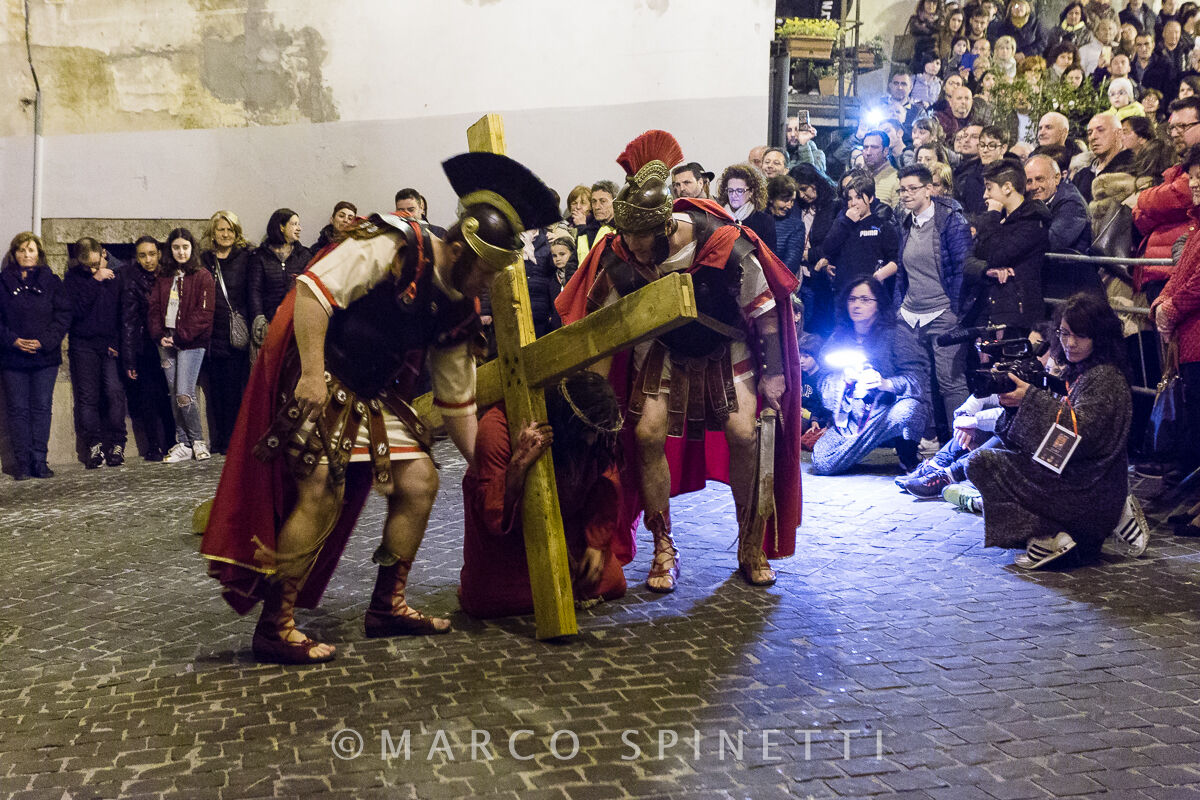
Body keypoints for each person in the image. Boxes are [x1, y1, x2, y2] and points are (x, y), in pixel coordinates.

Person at [202, 152, 560, 664]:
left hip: (372, 393)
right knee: (322, 489)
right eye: (485, 271)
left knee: (420, 482)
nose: (487, 284)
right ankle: (275, 625)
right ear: (458, 248)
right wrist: (309, 374)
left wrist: (495, 466)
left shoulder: (459, 303)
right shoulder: (395, 243)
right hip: (318, 369)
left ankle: (387, 604)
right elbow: (312, 291)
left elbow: (458, 400)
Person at [556, 129, 803, 592]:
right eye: (626, 235)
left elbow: (766, 311)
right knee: (646, 432)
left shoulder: (723, 243)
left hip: (727, 345)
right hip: (663, 347)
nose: (631, 246)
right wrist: (592, 390)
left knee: (744, 434)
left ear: (665, 226)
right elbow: (597, 323)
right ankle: (662, 546)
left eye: (640, 237)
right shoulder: (621, 253)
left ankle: (750, 540)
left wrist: (773, 375)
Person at [967, 293, 1133, 569]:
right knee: (986, 461)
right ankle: (1057, 536)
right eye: (1065, 333)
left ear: (1099, 337)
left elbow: (1080, 437)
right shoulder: (1089, 372)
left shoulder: (1104, 377)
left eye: (1080, 336)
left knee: (983, 463)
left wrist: (1030, 398)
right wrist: (1014, 407)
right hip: (1085, 484)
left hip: (1090, 491)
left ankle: (1057, 535)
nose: (1070, 343)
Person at [458, 371, 629, 618]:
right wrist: (518, 465)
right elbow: (492, 512)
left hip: (567, 530)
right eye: (586, 432)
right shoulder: (497, 427)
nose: (591, 442)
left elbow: (605, 485)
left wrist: (595, 544)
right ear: (568, 421)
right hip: (509, 542)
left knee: (611, 581)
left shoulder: (595, 437)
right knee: (499, 599)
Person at [811, 278, 929, 475]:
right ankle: (855, 447)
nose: (857, 305)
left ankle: (907, 457)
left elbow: (917, 379)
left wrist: (885, 383)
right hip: (851, 418)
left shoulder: (896, 334)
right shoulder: (839, 337)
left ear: (878, 304)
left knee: (910, 410)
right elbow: (822, 378)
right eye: (852, 299)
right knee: (822, 463)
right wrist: (842, 380)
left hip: (886, 410)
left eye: (865, 299)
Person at [893, 165, 973, 439]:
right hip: (910, 314)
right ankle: (925, 442)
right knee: (918, 381)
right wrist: (898, 308)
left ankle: (960, 445)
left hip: (943, 312)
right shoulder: (905, 222)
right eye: (902, 189)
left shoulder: (951, 220)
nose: (906, 194)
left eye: (912, 188)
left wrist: (956, 312)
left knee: (951, 383)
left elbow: (963, 270)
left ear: (929, 189)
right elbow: (903, 272)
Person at [1151, 141, 1200, 512]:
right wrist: (1161, 302)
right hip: (1188, 340)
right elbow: (1180, 273)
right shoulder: (1196, 226)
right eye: (1193, 179)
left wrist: (1171, 308)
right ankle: (1184, 493)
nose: (1194, 186)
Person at [0, 232, 69, 480]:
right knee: (17, 410)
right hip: (13, 358)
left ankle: (39, 460)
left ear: (39, 254)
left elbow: (63, 315)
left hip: (44, 357)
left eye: (31, 250)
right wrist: (13, 341)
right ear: (14, 254)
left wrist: (44, 341)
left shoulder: (52, 281)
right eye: (21, 250)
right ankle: (22, 463)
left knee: (41, 408)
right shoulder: (3, 282)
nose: (26, 255)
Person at [149, 228, 215, 463]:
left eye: (185, 247)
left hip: (191, 343)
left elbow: (204, 314)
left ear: (192, 248)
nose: (180, 252)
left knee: (184, 393)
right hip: (165, 342)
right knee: (172, 393)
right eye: (176, 247)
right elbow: (155, 308)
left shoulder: (203, 276)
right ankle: (183, 443)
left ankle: (197, 441)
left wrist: (180, 337)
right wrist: (159, 335)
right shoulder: (163, 277)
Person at [64, 237, 127, 468]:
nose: (92, 269)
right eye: (86, 266)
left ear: (103, 253)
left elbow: (123, 314)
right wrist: (95, 280)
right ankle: (94, 445)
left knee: (114, 392)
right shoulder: (74, 278)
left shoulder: (118, 274)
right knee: (87, 397)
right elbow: (76, 312)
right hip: (83, 344)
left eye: (95, 264)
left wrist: (117, 342)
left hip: (109, 343)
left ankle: (117, 444)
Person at [1133, 96, 1200, 298]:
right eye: (1173, 128)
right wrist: (1150, 206)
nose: (1175, 134)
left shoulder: (1188, 175)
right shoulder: (1178, 169)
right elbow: (1139, 217)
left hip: (1178, 275)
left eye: (1183, 126)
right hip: (1160, 272)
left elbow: (1177, 196)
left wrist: (1144, 200)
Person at [973, 159, 1052, 328]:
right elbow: (975, 254)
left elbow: (995, 256)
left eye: (989, 188)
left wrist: (993, 214)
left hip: (1018, 315)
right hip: (991, 307)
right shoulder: (1000, 219)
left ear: (1008, 187)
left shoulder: (1033, 222)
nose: (985, 195)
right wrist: (987, 270)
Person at [200, 211, 253, 454]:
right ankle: (220, 439)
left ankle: (233, 440)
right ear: (213, 232)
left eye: (230, 230)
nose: (225, 234)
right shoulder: (205, 260)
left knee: (234, 391)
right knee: (216, 392)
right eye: (221, 229)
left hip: (235, 333)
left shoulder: (246, 258)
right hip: (212, 333)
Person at [120, 236, 175, 461]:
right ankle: (154, 445)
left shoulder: (168, 274)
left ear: (159, 253)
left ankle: (173, 442)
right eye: (143, 255)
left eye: (152, 254)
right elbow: (129, 322)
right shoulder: (131, 279)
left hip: (169, 343)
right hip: (146, 347)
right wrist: (129, 359)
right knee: (148, 398)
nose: (148, 259)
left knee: (170, 395)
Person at [814, 172, 900, 297]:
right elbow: (827, 248)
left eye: (859, 197)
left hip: (872, 294)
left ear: (870, 198)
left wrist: (878, 277)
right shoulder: (841, 224)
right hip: (843, 294)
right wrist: (846, 223)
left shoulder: (883, 225)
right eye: (850, 198)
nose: (853, 203)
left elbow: (896, 260)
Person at [248, 208, 312, 348]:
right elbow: (255, 290)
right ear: (281, 227)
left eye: (299, 224)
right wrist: (259, 319)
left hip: (297, 325)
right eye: (294, 224)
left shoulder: (304, 255)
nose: (299, 228)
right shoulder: (260, 256)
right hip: (269, 324)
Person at [1025, 154, 1094, 262]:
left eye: (1040, 179)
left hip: (1069, 273)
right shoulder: (1033, 201)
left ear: (1057, 178)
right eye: (1029, 181)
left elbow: (1050, 242)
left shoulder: (1073, 205)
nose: (1034, 186)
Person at [1073, 112, 1136, 202]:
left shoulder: (1134, 168)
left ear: (1118, 133)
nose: (1093, 137)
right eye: (1090, 133)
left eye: (1101, 130)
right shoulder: (1081, 176)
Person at [716, 163, 777, 251]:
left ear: (751, 192)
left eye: (740, 191)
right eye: (730, 190)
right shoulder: (718, 217)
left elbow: (769, 258)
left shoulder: (764, 221)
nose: (734, 195)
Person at [768, 175, 805, 277]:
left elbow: (791, 263)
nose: (789, 206)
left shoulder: (796, 226)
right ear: (771, 199)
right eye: (785, 200)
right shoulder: (757, 219)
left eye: (792, 201)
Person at [576, 180, 617, 262]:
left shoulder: (623, 232)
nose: (597, 207)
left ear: (615, 202)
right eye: (594, 201)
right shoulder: (586, 230)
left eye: (603, 201)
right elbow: (573, 263)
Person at [953, 123, 987, 214]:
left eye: (974, 137)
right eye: (965, 136)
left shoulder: (981, 174)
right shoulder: (957, 169)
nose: (966, 140)